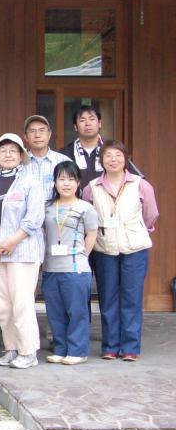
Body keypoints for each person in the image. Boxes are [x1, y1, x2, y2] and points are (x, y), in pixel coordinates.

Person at [82, 140, 158, 361]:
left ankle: (131, 347)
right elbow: (88, 216)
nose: (113, 160)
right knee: (108, 298)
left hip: (134, 248)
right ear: (101, 160)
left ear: (125, 159)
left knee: (132, 298)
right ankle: (110, 346)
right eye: (108, 156)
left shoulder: (141, 184)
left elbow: (150, 214)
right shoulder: (92, 187)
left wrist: (136, 230)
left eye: (117, 155)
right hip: (104, 249)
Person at [0, 133, 45, 370]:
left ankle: (28, 351)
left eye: (13, 151)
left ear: (21, 155)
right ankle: (11, 348)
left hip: (23, 252)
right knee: (3, 305)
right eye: (3, 150)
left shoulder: (30, 181)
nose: (8, 155)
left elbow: (34, 219)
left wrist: (12, 242)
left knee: (21, 303)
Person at [42, 161, 98, 366]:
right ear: (55, 182)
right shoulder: (48, 207)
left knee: (77, 312)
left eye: (71, 179)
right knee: (55, 312)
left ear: (78, 182)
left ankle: (77, 350)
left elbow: (92, 234)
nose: (66, 183)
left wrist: (82, 254)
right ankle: (60, 349)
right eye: (61, 178)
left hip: (75, 269)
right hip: (50, 268)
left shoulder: (85, 208)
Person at [24, 115, 71, 197]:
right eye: (32, 131)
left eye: (42, 130)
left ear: (49, 134)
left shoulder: (64, 161)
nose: (37, 135)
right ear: (25, 137)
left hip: (57, 209)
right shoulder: (19, 163)